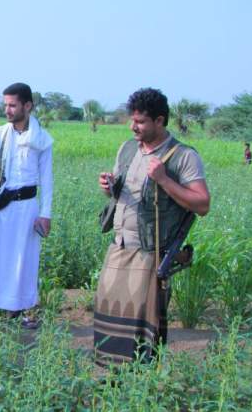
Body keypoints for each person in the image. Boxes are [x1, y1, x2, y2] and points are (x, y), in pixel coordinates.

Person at [94, 88, 210, 366]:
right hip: (120, 248)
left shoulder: (183, 156)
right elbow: (125, 193)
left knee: (146, 327)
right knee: (108, 315)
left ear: (160, 121)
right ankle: (113, 382)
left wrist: (164, 180)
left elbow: (202, 204)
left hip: (150, 255)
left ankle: (144, 387)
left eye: (141, 122)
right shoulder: (128, 149)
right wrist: (109, 187)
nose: (134, 126)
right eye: (132, 120)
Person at [0, 83, 53, 328]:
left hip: (26, 207)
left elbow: (47, 179)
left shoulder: (42, 140)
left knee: (24, 258)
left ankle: (20, 308)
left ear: (27, 106)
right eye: (5, 105)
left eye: (12, 105)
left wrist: (45, 214)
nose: (7, 110)